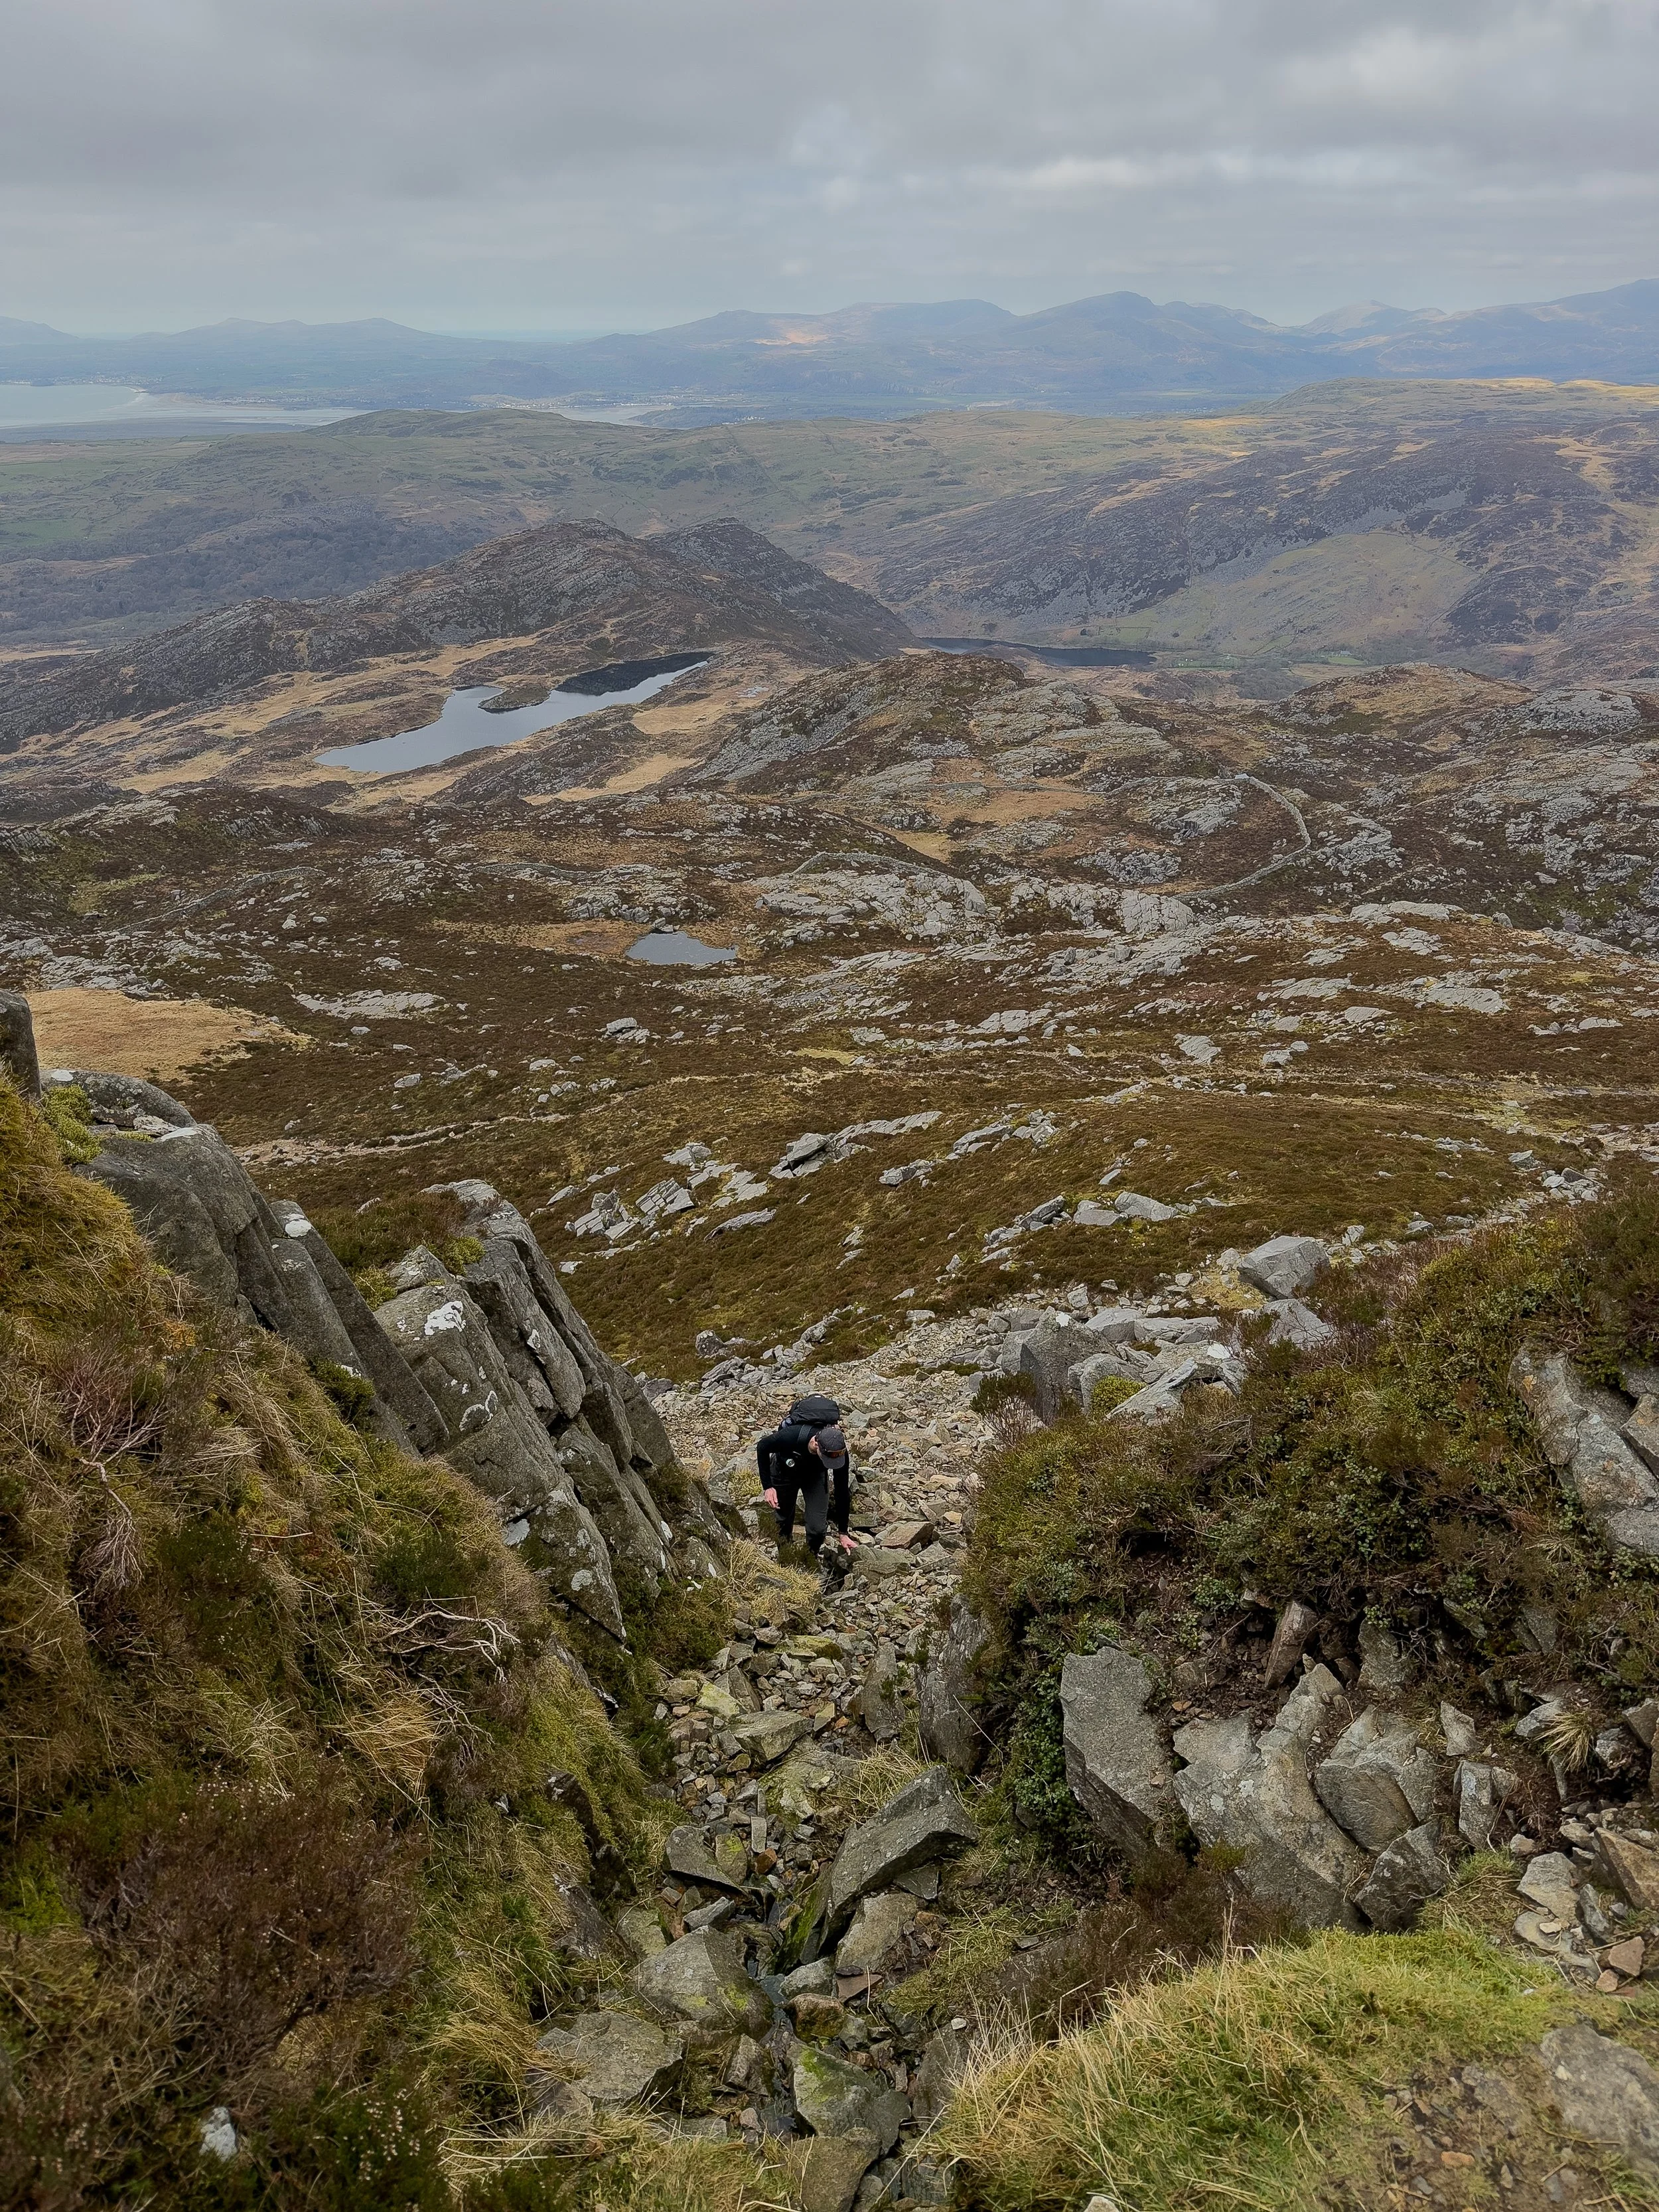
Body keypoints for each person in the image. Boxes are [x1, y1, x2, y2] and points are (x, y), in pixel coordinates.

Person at [756, 1397, 855, 1580]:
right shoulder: (791, 1436)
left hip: (814, 1477)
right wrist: (768, 1487)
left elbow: (842, 1491)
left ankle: (809, 1556)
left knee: (818, 1528)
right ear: (817, 1443)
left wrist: (843, 1532)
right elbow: (762, 1447)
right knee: (783, 1519)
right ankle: (785, 1558)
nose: (832, 1464)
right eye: (827, 1459)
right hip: (784, 1471)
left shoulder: (838, 1451)